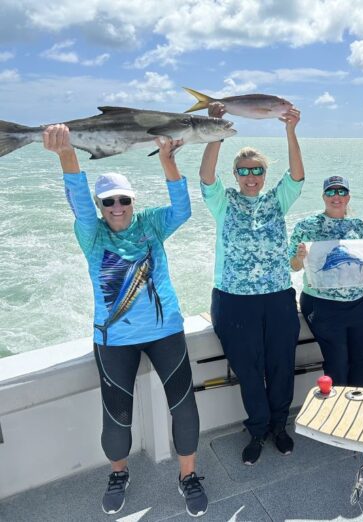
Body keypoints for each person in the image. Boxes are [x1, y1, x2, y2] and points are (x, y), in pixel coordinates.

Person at [43, 124, 207, 517]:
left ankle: (188, 476)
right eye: (108, 202)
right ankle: (119, 473)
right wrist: (67, 153)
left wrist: (168, 161)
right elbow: (78, 201)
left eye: (123, 200)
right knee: (117, 418)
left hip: (165, 331)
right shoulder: (91, 234)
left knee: (184, 408)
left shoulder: (151, 225)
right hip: (113, 339)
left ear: (133, 201)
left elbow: (182, 209)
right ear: (100, 207)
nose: (116, 208)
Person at [200, 103, 304, 466]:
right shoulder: (223, 202)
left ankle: (279, 425)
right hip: (233, 300)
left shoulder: (277, 199)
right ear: (236, 173)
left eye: (257, 170)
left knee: (280, 364)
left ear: (263, 173)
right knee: (247, 369)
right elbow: (206, 176)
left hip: (277, 297)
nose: (251, 176)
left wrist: (290, 131)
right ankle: (257, 429)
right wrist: (215, 129)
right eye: (244, 171)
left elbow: (297, 176)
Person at [290, 176, 363, 387]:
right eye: (331, 192)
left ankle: (361, 410)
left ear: (348, 196)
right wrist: (300, 257)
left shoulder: (359, 227)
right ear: (323, 196)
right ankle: (338, 414)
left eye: (341, 192)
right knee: (337, 363)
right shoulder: (306, 226)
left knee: (362, 361)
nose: (336, 197)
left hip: (359, 303)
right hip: (322, 305)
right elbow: (293, 266)